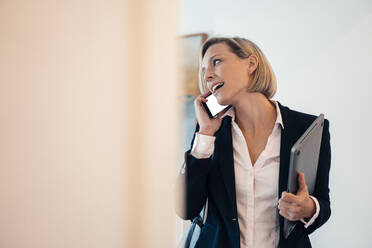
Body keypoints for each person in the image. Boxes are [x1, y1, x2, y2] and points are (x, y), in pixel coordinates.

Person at [175, 36, 331, 248]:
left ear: (251, 63)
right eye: (203, 70)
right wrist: (205, 135)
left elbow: (322, 203)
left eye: (216, 61)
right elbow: (185, 208)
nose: (208, 75)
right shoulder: (209, 132)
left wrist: (309, 208)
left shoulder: (307, 128)